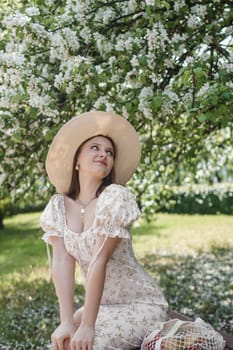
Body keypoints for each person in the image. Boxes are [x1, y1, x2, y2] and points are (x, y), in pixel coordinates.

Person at [40, 111, 168, 350]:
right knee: (62, 343)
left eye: (109, 152)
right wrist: (67, 321)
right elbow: (61, 263)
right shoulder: (57, 206)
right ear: (76, 159)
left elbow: (100, 261)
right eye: (95, 148)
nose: (103, 154)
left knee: (92, 345)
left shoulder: (115, 199)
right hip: (102, 306)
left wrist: (88, 326)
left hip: (139, 303)